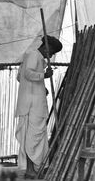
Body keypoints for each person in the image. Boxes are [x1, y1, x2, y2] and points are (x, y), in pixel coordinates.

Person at [15, 35, 62, 179]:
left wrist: (42, 88)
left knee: (35, 137)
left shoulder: (37, 59)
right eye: (52, 52)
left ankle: (34, 169)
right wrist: (44, 75)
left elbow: (20, 77)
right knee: (32, 138)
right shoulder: (33, 55)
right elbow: (28, 74)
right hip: (32, 106)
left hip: (34, 104)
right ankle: (30, 170)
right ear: (47, 47)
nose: (51, 55)